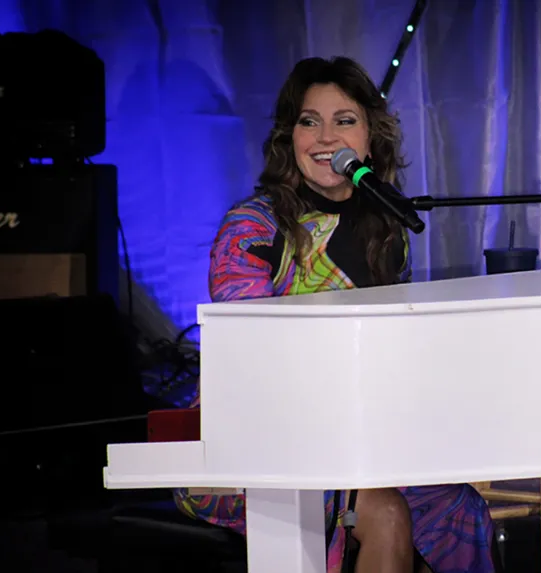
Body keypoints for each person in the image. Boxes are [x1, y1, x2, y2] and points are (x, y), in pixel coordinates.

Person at [173, 56, 496, 573]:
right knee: (386, 512)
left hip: (357, 439)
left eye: (344, 120)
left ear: (371, 138)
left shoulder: (389, 228)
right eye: (309, 121)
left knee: (460, 505)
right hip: (251, 447)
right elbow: (247, 364)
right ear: (289, 137)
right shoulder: (252, 227)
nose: (325, 137)